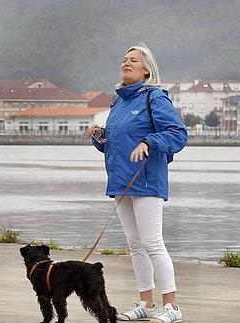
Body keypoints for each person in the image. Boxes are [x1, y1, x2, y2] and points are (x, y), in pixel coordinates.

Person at [87, 43, 188, 323]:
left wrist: (149, 141)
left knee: (153, 242)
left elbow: (178, 135)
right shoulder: (118, 101)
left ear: (147, 70)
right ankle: (146, 302)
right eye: (124, 59)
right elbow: (116, 144)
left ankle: (172, 306)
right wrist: (100, 136)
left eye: (133, 60)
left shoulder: (154, 98)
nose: (126, 63)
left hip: (147, 180)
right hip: (121, 182)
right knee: (135, 244)